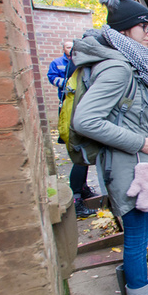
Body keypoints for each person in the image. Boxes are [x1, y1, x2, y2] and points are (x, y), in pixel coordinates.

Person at [71, 0, 148, 295]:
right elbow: (85, 121)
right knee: (136, 236)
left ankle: (140, 288)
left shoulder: (127, 61)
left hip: (132, 166)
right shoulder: (118, 68)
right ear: (124, 30)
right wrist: (141, 142)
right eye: (143, 26)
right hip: (131, 169)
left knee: (140, 233)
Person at [47, 41, 97, 218]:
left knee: (81, 159)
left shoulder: (75, 67)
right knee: (80, 158)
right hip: (75, 121)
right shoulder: (77, 70)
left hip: (71, 118)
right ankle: (76, 200)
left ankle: (82, 190)